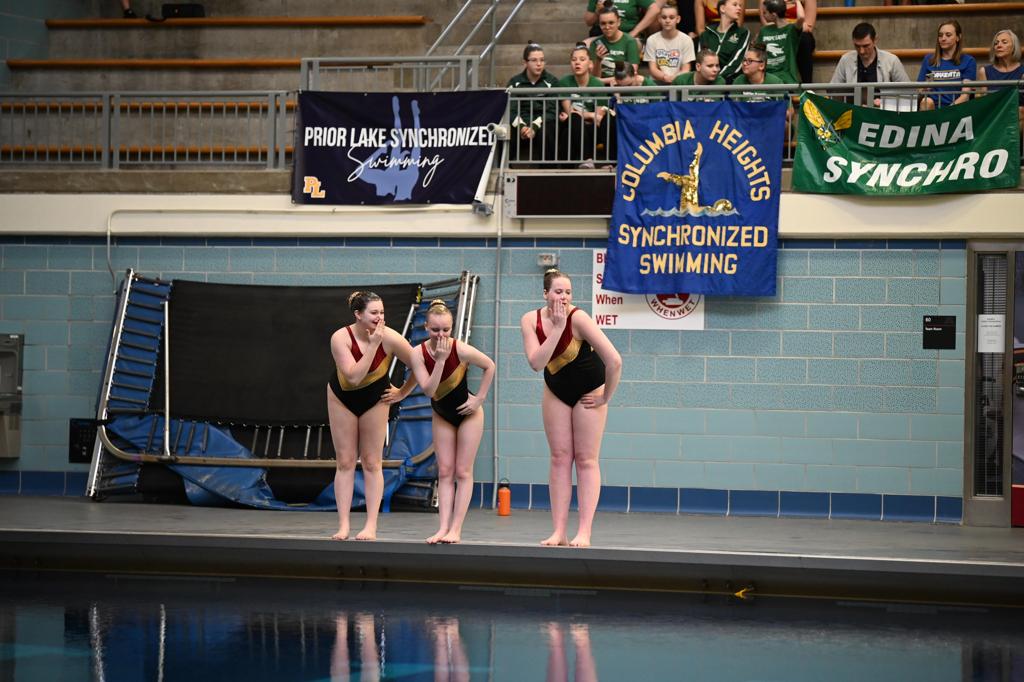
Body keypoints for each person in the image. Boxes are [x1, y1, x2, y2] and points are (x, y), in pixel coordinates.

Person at [520, 269, 622, 548]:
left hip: (590, 390)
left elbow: (614, 360)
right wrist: (556, 329)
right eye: (558, 291)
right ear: (545, 294)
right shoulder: (530, 320)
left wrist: (605, 397)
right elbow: (536, 363)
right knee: (559, 458)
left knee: (586, 459)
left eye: (568, 292)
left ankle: (584, 532)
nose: (563, 297)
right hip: (556, 389)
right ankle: (559, 531)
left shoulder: (579, 318)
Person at [327, 291, 415, 541]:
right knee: (345, 461)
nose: (380, 317)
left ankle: (371, 525)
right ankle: (343, 525)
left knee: (372, 462)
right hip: (342, 397)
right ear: (358, 314)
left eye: (382, 312)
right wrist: (374, 344)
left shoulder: (391, 337)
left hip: (376, 399)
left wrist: (403, 392)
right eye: (374, 313)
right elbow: (354, 377)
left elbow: (419, 364)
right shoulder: (340, 338)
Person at [408, 300, 495, 544]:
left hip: (469, 415)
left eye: (446, 330)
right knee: (445, 472)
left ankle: (456, 529)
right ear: (426, 327)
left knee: (463, 471)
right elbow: (428, 389)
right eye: (435, 330)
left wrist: (479, 398)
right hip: (442, 415)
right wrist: (440, 361)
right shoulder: (417, 354)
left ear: (452, 327)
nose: (441, 335)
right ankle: (443, 528)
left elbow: (489, 366)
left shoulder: (461, 349)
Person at [830, 22, 911, 106]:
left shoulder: (892, 60)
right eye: (857, 46)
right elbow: (833, 91)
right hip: (854, 110)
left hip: (884, 111)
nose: (861, 51)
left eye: (866, 46)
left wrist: (885, 102)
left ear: (875, 40)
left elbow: (908, 92)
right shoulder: (845, 60)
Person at [557, 44, 610, 168]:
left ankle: (567, 168)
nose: (577, 63)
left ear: (590, 64)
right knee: (574, 120)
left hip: (591, 129)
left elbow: (599, 117)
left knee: (572, 129)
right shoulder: (564, 82)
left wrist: (588, 115)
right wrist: (590, 115)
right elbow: (569, 112)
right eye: (574, 60)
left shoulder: (597, 85)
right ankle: (587, 159)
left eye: (582, 59)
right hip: (571, 124)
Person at [507, 42, 560, 164]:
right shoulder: (515, 82)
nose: (539, 64)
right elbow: (510, 109)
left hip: (542, 122)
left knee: (547, 129)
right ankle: (505, 167)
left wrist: (534, 126)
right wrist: (522, 126)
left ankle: (547, 169)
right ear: (525, 63)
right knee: (507, 129)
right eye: (534, 60)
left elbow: (552, 110)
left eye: (542, 60)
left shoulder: (552, 81)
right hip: (521, 122)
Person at [917, 19, 976, 110]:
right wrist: (925, 88)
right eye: (940, 35)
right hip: (932, 110)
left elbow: (965, 96)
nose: (943, 38)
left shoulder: (968, 61)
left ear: (958, 37)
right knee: (926, 102)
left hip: (956, 109)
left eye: (948, 35)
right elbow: (920, 90)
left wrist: (947, 112)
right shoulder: (929, 60)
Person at [757, 0, 816, 84]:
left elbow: (801, 17)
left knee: (805, 39)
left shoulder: (791, 30)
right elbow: (757, 53)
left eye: (765, 13)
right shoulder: (764, 31)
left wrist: (797, 1)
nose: (762, 15)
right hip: (767, 76)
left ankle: (807, 86)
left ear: (773, 15)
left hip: (786, 77)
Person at [979, 29, 1023, 131]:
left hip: (1017, 122)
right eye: (996, 43)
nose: (999, 45)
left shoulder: (1022, 73)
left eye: (1004, 42)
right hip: (994, 119)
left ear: (1014, 47)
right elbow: (984, 104)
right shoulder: (984, 72)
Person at [698, 0, 749, 84]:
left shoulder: (743, 33)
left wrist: (717, 79)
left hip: (729, 83)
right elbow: (701, 59)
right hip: (705, 82)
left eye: (740, 5)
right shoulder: (706, 34)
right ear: (722, 8)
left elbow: (737, 63)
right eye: (735, 5)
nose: (739, 8)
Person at [644, 1, 696, 84]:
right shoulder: (651, 40)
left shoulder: (686, 40)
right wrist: (665, 77)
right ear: (659, 19)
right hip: (657, 83)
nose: (667, 20)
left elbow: (686, 69)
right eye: (664, 17)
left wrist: (673, 78)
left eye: (671, 17)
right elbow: (652, 68)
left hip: (679, 82)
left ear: (678, 19)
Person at [590, 5, 642, 83]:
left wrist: (603, 81)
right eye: (603, 23)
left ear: (618, 22)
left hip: (623, 85)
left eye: (611, 23)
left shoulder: (630, 42)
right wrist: (598, 60)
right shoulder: (595, 43)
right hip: (601, 87)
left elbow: (631, 74)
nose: (607, 27)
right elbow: (594, 79)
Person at [584, 0, 662, 41]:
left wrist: (635, 32)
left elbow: (655, 9)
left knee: (631, 45)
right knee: (585, 45)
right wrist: (597, 11)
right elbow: (588, 22)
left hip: (628, 35)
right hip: (604, 35)